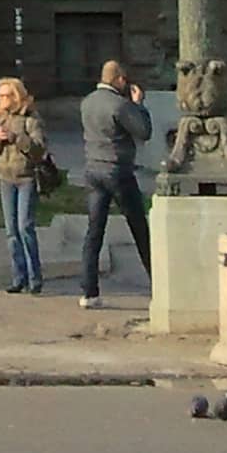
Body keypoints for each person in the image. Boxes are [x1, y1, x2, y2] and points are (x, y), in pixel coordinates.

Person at [77, 58, 153, 309]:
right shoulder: (119, 105)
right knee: (139, 227)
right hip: (118, 171)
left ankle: (89, 291)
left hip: (93, 171)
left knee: (94, 231)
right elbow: (143, 131)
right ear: (119, 79)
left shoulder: (86, 102)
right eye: (125, 80)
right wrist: (139, 105)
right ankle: (159, 283)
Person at [0, 76, 47, 295]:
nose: (1, 99)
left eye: (5, 95)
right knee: (11, 230)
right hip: (6, 176)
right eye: (0, 95)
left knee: (25, 227)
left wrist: (16, 137)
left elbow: (39, 149)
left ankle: (35, 278)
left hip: (26, 177)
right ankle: (18, 277)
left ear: (15, 97)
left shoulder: (31, 118)